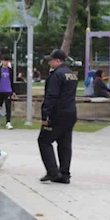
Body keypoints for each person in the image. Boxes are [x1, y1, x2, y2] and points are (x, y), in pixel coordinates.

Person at [38, 49, 78, 184]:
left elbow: (51, 96)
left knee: (44, 140)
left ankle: (53, 172)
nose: (50, 62)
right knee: (65, 143)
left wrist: (45, 115)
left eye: (51, 60)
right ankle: (65, 173)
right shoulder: (71, 74)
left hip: (57, 114)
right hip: (70, 113)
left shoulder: (57, 74)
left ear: (57, 61)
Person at [0, 55, 15, 129]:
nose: (5, 62)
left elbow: (12, 81)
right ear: (2, 61)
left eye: (7, 61)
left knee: (8, 107)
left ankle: (8, 122)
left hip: (8, 90)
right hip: (0, 90)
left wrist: (13, 91)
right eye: (4, 61)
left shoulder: (10, 70)